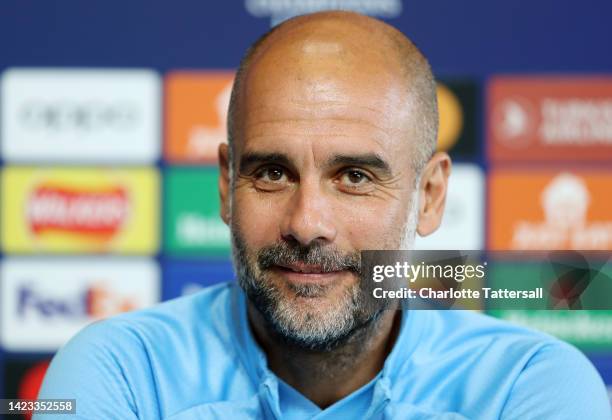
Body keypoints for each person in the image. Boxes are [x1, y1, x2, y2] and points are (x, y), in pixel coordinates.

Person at [37, 11, 610, 419]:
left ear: (430, 195)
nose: (307, 222)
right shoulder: (120, 373)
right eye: (271, 173)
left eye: (354, 177)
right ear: (225, 185)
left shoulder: (529, 386)